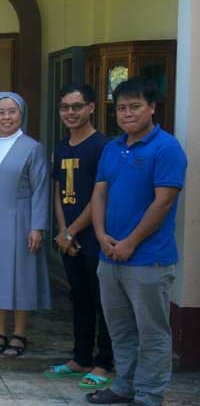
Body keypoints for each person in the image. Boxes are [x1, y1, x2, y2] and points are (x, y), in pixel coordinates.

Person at [86, 78, 186, 406]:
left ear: (152, 107)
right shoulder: (112, 149)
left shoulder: (166, 148)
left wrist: (130, 242)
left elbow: (163, 202)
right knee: (121, 331)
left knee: (153, 334)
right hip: (109, 256)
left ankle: (148, 395)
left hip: (148, 260)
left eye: (135, 106)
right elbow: (100, 192)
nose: (127, 113)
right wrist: (100, 235)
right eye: (121, 108)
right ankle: (123, 387)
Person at [43, 84, 113, 388]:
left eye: (77, 106)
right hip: (68, 238)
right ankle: (80, 357)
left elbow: (101, 195)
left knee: (103, 303)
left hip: (95, 237)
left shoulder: (103, 146)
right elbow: (57, 190)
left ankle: (104, 363)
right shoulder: (61, 146)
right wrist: (63, 231)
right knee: (79, 299)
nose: (70, 113)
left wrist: (72, 231)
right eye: (65, 108)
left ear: (91, 108)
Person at [0, 91, 51, 358]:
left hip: (22, 218)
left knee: (21, 276)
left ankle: (19, 333)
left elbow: (41, 189)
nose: (6, 117)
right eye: (1, 112)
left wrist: (37, 226)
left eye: (12, 112)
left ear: (21, 115)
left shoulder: (33, 147)